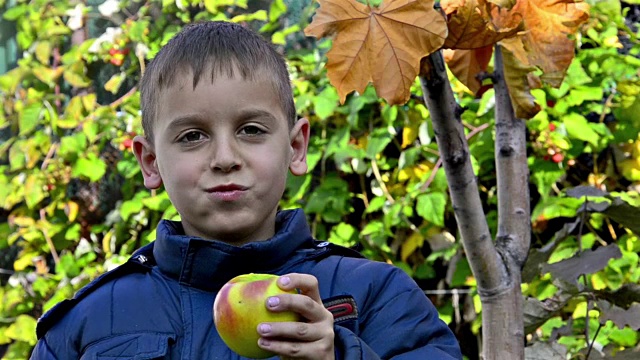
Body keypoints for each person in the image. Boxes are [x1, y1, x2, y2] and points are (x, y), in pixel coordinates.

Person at [30, 21, 462, 359]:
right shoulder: (90, 324)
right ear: (150, 161)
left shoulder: (375, 297)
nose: (224, 157)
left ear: (295, 147)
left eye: (251, 130)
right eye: (192, 136)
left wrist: (340, 355)